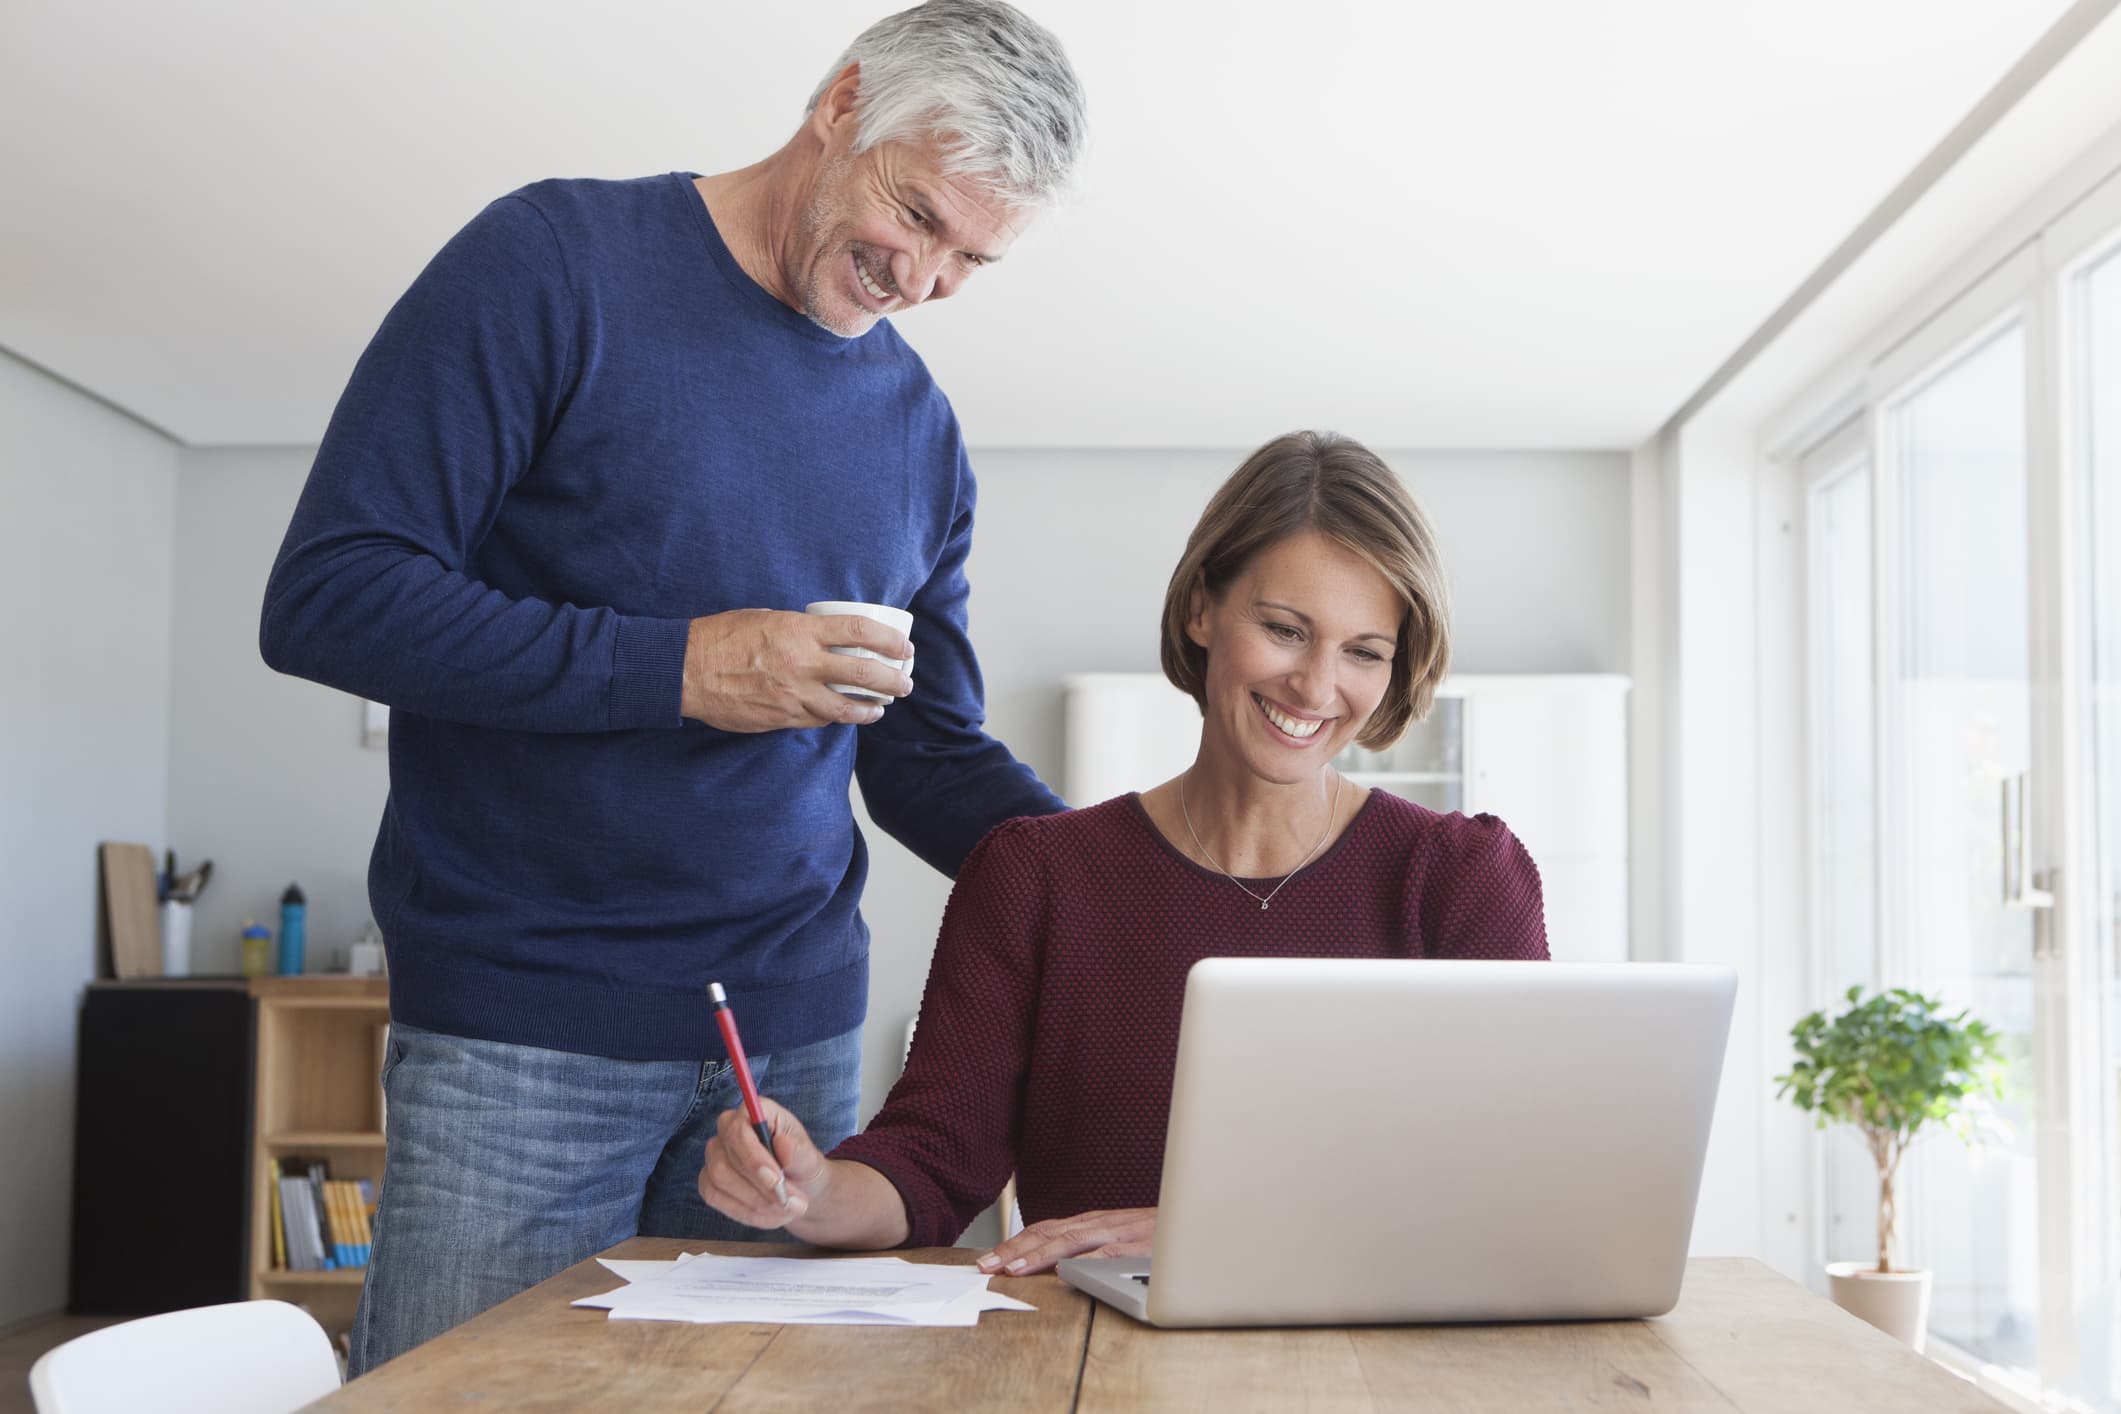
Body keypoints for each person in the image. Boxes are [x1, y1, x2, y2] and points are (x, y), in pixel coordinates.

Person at [256, 1, 1086, 1373]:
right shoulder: (553, 265)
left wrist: (1107, 872)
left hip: (791, 1052)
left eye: (971, 259)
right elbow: (332, 593)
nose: (925, 279)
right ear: (842, 104)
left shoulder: (918, 434)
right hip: (522, 1034)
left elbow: (924, 747)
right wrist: (681, 666)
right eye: (918, 214)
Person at [697, 430, 1551, 1272]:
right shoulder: (1037, 876)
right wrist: (812, 1189)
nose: (1317, 686)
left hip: (1377, 1363)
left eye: (1364, 652)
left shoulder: (1457, 880)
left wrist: (1211, 1233)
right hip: (1095, 1360)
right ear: (1200, 609)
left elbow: (1511, 1181)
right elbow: (931, 1162)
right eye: (1286, 630)